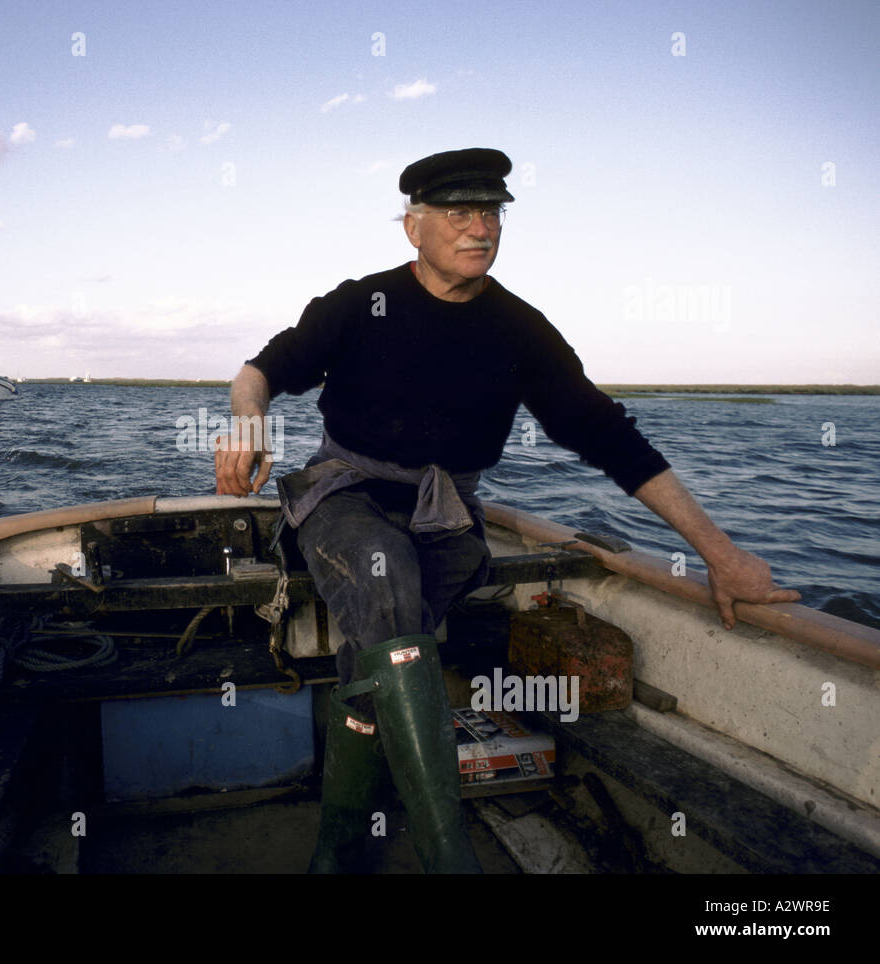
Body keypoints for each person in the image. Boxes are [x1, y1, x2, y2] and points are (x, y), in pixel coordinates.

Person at [213, 147, 801, 875]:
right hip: (345, 496)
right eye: (458, 213)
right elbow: (259, 372)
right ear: (413, 229)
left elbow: (610, 436)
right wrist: (248, 426)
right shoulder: (361, 303)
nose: (480, 228)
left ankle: (335, 846)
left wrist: (721, 554)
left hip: (447, 515)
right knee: (387, 583)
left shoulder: (520, 330)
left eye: (491, 212)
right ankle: (450, 860)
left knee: (372, 660)